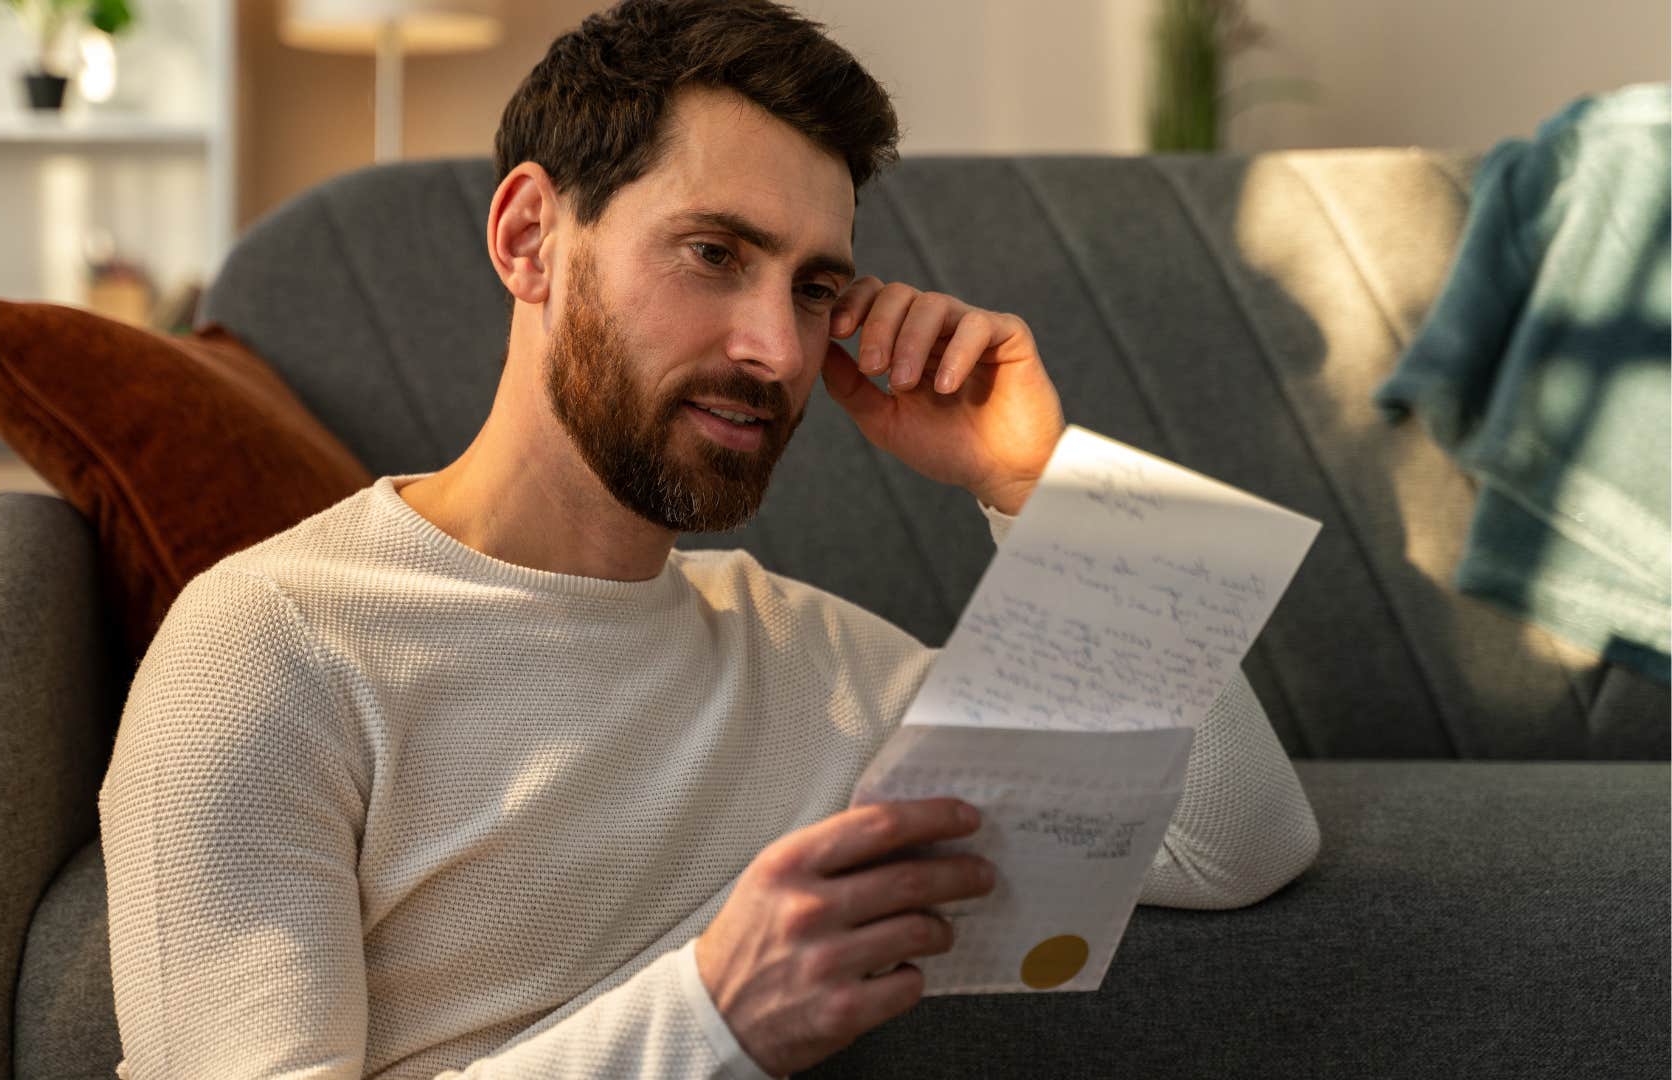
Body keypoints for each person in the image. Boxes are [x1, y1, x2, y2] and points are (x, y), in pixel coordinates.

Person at [96, 2, 1321, 1077]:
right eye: (714, 254)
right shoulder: (270, 643)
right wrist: (715, 1018)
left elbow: (1232, 840)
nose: (778, 353)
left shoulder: (807, 665)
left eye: (813, 287)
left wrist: (1034, 480)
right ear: (529, 238)